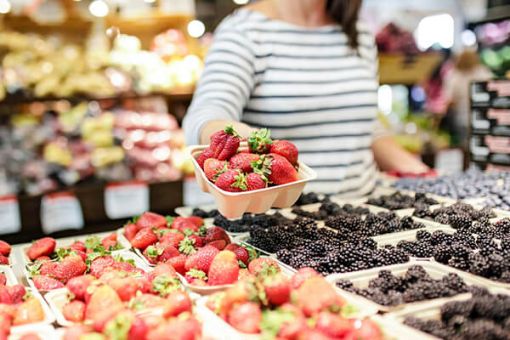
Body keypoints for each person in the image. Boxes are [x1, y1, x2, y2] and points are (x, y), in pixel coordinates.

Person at [184, 0, 428, 195]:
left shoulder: (358, 34)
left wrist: (419, 173)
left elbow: (360, 124)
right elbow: (207, 114)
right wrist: (248, 143)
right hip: (281, 231)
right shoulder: (245, 31)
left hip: (362, 219)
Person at [443, 49, 492, 147]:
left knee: (465, 145)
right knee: (481, 145)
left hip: (462, 118)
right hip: (482, 117)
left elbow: (450, 100)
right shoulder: (483, 73)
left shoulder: (454, 76)